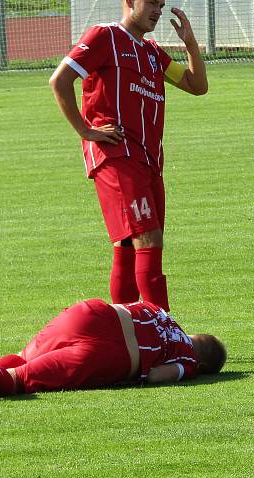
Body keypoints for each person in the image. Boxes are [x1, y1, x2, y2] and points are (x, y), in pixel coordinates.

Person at [48, 0, 208, 313]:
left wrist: (190, 44)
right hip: (117, 156)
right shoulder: (103, 36)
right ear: (130, 2)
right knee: (149, 238)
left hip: (148, 162)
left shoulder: (152, 53)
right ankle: (165, 333)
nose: (157, 11)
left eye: (161, 5)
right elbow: (60, 80)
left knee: (129, 246)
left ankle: (126, 330)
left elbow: (196, 85)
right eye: (151, 3)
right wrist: (86, 131)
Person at [0, 298, 227, 404]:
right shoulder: (189, 359)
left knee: (23, 357)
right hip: (110, 353)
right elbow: (157, 377)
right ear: (202, 364)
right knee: (18, 380)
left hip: (90, 315)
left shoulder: (164, 315)